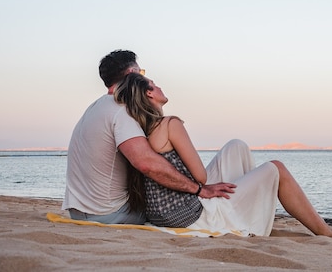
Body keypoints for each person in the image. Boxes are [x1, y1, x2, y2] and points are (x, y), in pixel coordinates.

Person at [114, 72, 332, 237]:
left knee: (236, 146)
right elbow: (200, 178)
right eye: (155, 84)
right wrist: (204, 188)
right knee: (276, 168)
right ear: (149, 93)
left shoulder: (143, 132)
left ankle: (244, 206)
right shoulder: (169, 124)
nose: (160, 86)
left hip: (163, 213)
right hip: (187, 215)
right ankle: (326, 233)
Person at [63, 50, 235, 224]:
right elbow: (146, 163)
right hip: (109, 214)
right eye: (142, 73)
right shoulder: (121, 110)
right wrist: (199, 190)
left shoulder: (96, 107)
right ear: (133, 74)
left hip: (79, 212)